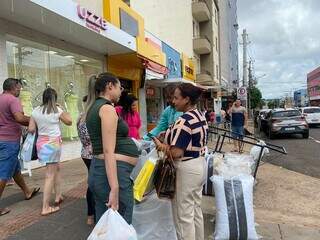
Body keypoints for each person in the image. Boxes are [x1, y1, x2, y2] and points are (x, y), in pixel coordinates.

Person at [153, 83, 208, 240]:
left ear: (187, 99)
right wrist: (169, 136)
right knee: (195, 211)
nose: (173, 101)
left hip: (187, 168)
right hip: (199, 164)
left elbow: (176, 152)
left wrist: (161, 146)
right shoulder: (199, 115)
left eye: (176, 98)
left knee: (183, 216)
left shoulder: (184, 120)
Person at [86, 72, 139, 223]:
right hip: (113, 172)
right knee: (121, 221)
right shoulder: (106, 108)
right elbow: (108, 150)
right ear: (110, 86)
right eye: (119, 87)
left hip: (103, 170)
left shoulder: (95, 107)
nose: (121, 91)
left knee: (107, 222)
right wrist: (115, 187)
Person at [28, 88, 72, 216]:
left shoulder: (35, 111)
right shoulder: (57, 110)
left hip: (41, 144)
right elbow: (69, 121)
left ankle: (58, 196)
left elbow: (31, 129)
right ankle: (45, 207)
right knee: (49, 175)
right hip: (53, 144)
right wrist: (63, 108)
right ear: (54, 98)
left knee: (56, 169)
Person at [0, 78, 40, 217]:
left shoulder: (1, 98)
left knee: (15, 168)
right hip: (9, 142)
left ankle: (27, 192)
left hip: (2, 141)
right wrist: (35, 119)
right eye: (18, 88)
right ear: (13, 87)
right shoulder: (12, 100)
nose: (19, 90)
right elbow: (19, 118)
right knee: (3, 173)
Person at [77, 76, 96, 225]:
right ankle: (94, 213)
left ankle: (90, 214)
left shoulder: (82, 115)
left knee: (92, 182)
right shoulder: (97, 113)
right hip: (95, 153)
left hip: (85, 153)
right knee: (96, 183)